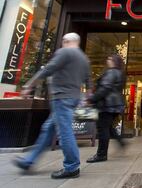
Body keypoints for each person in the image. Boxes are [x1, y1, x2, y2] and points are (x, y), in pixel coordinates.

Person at [13, 33, 91, 179]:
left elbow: (48, 69)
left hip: (61, 98)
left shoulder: (65, 51)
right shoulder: (84, 58)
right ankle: (29, 161)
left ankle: (72, 166)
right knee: (48, 129)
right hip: (73, 97)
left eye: (63, 41)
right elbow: (88, 80)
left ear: (67, 41)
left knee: (64, 131)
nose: (62, 43)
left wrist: (29, 84)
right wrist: (87, 97)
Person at [86, 54, 126, 163]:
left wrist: (92, 98)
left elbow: (105, 88)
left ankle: (101, 154)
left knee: (103, 129)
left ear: (114, 61)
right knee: (108, 127)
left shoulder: (111, 72)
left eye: (109, 58)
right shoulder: (120, 73)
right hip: (115, 104)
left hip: (107, 104)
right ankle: (120, 142)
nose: (107, 60)